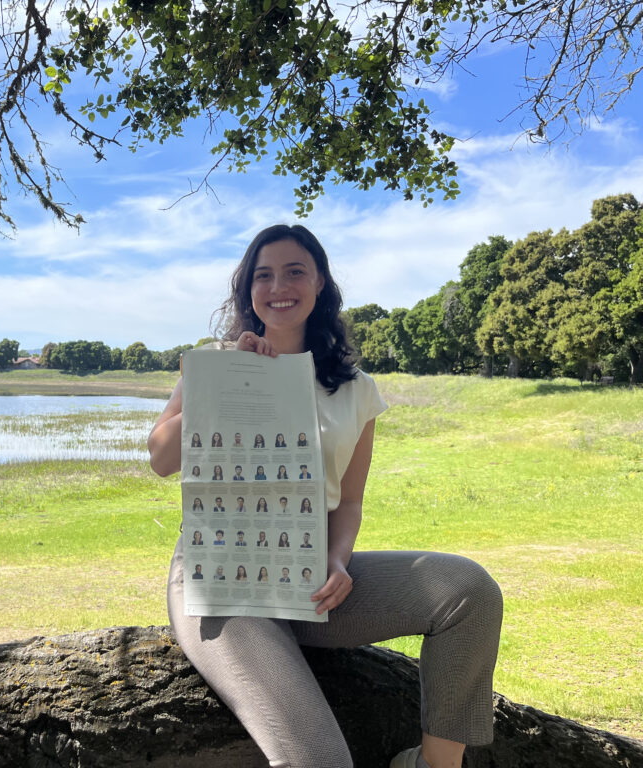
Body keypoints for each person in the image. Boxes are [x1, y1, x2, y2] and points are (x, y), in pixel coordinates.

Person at [148, 224, 503, 768]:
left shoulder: (356, 388)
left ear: (319, 286)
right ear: (247, 289)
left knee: (468, 591)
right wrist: (227, 382)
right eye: (262, 275)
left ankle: (432, 764)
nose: (278, 286)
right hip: (221, 581)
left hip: (310, 578)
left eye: (295, 271)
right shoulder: (215, 361)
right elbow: (161, 459)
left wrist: (338, 560)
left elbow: (351, 500)